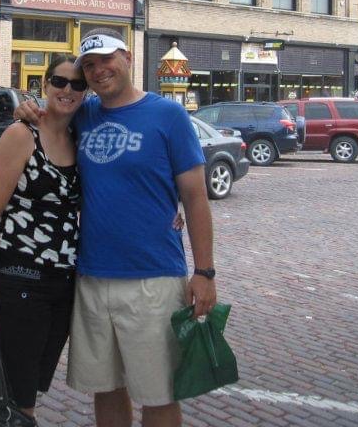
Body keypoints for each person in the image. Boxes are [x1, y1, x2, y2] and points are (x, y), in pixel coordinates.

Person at [15, 28, 216, 427]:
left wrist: (205, 272)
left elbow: (195, 197)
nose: (98, 70)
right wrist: (27, 110)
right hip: (91, 277)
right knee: (106, 389)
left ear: (127, 57)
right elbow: (47, 120)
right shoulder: (84, 116)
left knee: (159, 394)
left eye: (106, 59)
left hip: (153, 277)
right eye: (89, 65)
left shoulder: (168, 116)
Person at [0, 54, 86, 415]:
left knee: (24, 389)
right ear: (45, 85)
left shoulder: (78, 136)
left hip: (62, 285)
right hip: (20, 280)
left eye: (78, 84)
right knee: (16, 401)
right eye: (60, 81)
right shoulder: (22, 135)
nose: (67, 89)